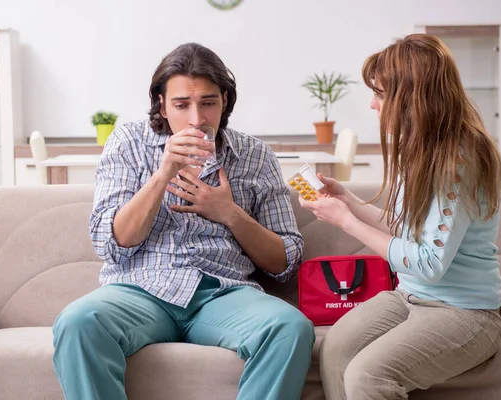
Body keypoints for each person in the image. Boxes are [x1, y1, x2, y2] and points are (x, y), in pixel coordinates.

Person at [52, 42, 314, 400]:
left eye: (208, 102)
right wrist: (163, 174)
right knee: (78, 321)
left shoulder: (255, 155)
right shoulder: (128, 142)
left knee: (290, 327)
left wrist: (229, 213)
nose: (196, 119)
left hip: (223, 293)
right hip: (141, 291)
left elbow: (286, 262)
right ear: (161, 103)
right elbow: (111, 242)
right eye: (181, 105)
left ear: (225, 100)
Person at [300, 33, 501, 399]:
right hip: (410, 296)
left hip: (467, 313)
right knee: (333, 350)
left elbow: (428, 263)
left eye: (380, 94)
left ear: (413, 97)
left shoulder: (460, 158)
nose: (372, 105)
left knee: (366, 376)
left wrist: (347, 222)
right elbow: (405, 228)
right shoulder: (420, 147)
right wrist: (348, 202)